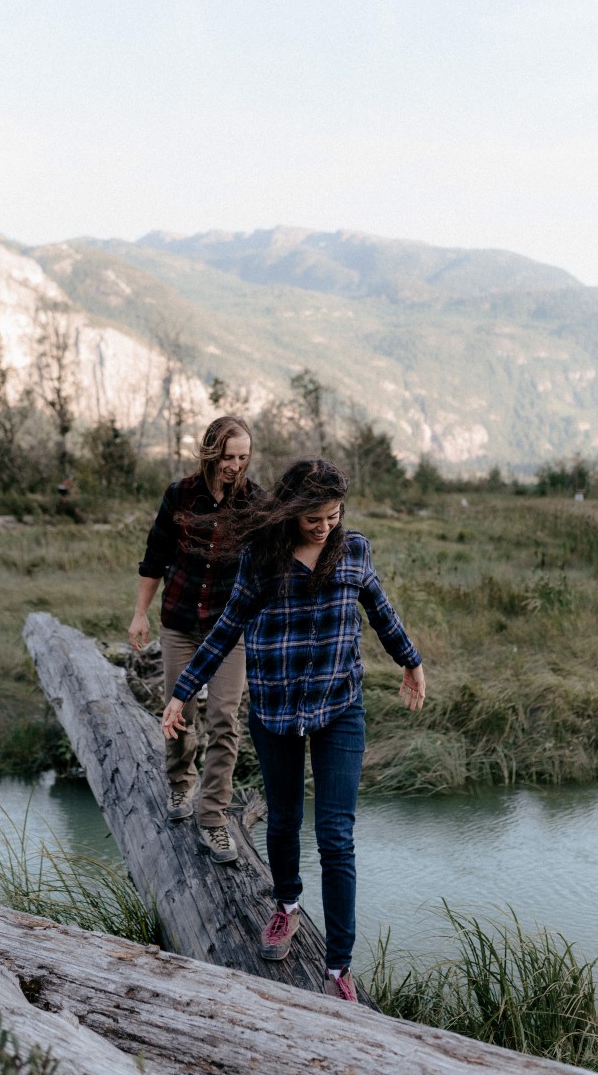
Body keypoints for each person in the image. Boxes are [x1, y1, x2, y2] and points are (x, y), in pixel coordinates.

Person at [162, 457, 426, 1002]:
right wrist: (182, 693)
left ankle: (338, 968)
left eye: (333, 516)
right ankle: (285, 905)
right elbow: (227, 626)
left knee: (336, 836)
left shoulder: (353, 550)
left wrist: (411, 661)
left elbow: (379, 609)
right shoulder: (262, 556)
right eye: (314, 518)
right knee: (282, 821)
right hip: (277, 709)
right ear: (291, 511)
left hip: (339, 706)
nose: (325, 527)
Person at [128, 416, 262, 864]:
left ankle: (213, 818)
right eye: (228, 457)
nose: (235, 466)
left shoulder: (256, 503)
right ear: (210, 453)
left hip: (229, 631)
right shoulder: (179, 494)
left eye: (243, 457)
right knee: (179, 711)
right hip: (181, 622)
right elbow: (154, 559)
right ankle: (180, 785)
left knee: (225, 717)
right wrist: (139, 614)